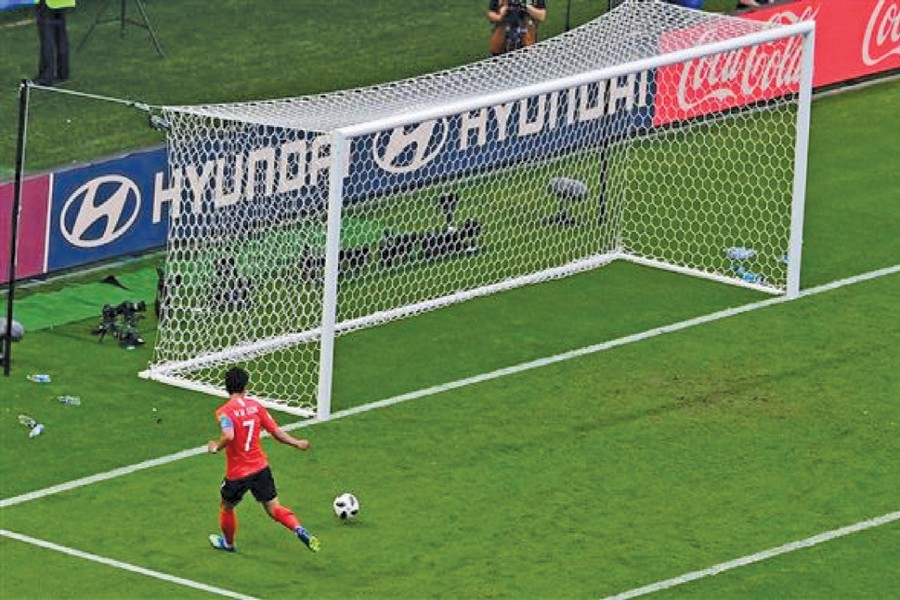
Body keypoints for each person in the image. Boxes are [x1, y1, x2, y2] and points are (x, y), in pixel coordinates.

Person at [207, 367, 320, 553]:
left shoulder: (224, 412)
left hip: (237, 474)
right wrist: (297, 443)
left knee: (226, 507)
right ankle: (298, 528)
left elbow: (228, 435)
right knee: (274, 508)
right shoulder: (256, 406)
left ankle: (228, 544)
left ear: (226, 387)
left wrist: (215, 448)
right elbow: (276, 432)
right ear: (246, 386)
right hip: (260, 468)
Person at [34, 0, 75, 86]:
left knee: (47, 39)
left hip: (48, 3)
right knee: (61, 36)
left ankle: (46, 77)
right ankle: (63, 73)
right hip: (62, 2)